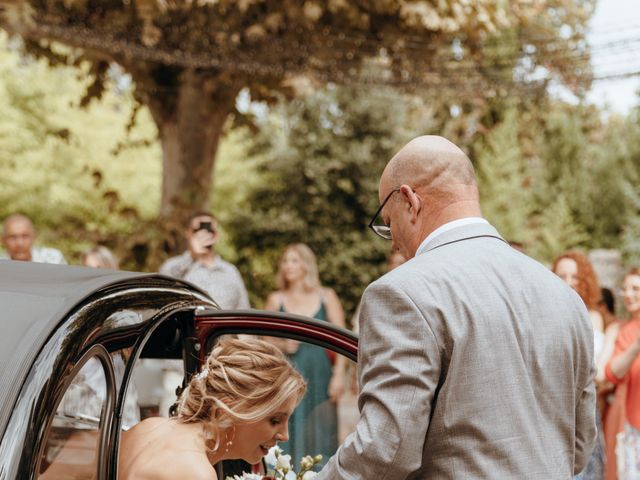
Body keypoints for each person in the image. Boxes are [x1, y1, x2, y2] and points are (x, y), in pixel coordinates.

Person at [317, 135, 596, 479]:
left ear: (409, 200)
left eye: (389, 224)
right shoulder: (565, 297)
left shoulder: (401, 293)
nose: (397, 244)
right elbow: (579, 443)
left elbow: (387, 450)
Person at [119, 337, 307, 480]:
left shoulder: (150, 427)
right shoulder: (196, 473)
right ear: (226, 410)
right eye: (275, 420)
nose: (285, 435)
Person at [264, 243, 346, 467]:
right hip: (287, 375)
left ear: (306, 266)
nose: (288, 266)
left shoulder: (326, 297)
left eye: (294, 261)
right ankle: (285, 472)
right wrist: (283, 344)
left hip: (320, 373)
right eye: (285, 261)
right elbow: (265, 340)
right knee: (290, 423)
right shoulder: (276, 299)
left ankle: (322, 473)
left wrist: (339, 377)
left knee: (322, 427)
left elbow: (341, 341)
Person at [552, 251, 607, 479]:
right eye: (561, 275)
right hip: (555, 405)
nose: (568, 281)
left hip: (582, 403)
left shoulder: (592, 316)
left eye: (574, 276)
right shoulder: (550, 313)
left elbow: (592, 366)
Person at [160, 212, 250, 309]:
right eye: (197, 230)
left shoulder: (230, 271)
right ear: (188, 233)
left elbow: (244, 309)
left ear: (216, 235)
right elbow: (162, 295)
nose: (204, 234)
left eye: (209, 230)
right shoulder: (173, 266)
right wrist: (193, 257)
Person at [605, 267, 640, 480]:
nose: (628, 294)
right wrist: (636, 347)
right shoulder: (626, 330)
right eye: (625, 289)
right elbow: (612, 373)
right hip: (635, 428)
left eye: (635, 288)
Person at [1, 213, 66, 264]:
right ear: (3, 240)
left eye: (25, 236)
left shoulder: (53, 258)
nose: (19, 243)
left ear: (34, 237)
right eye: (13, 237)